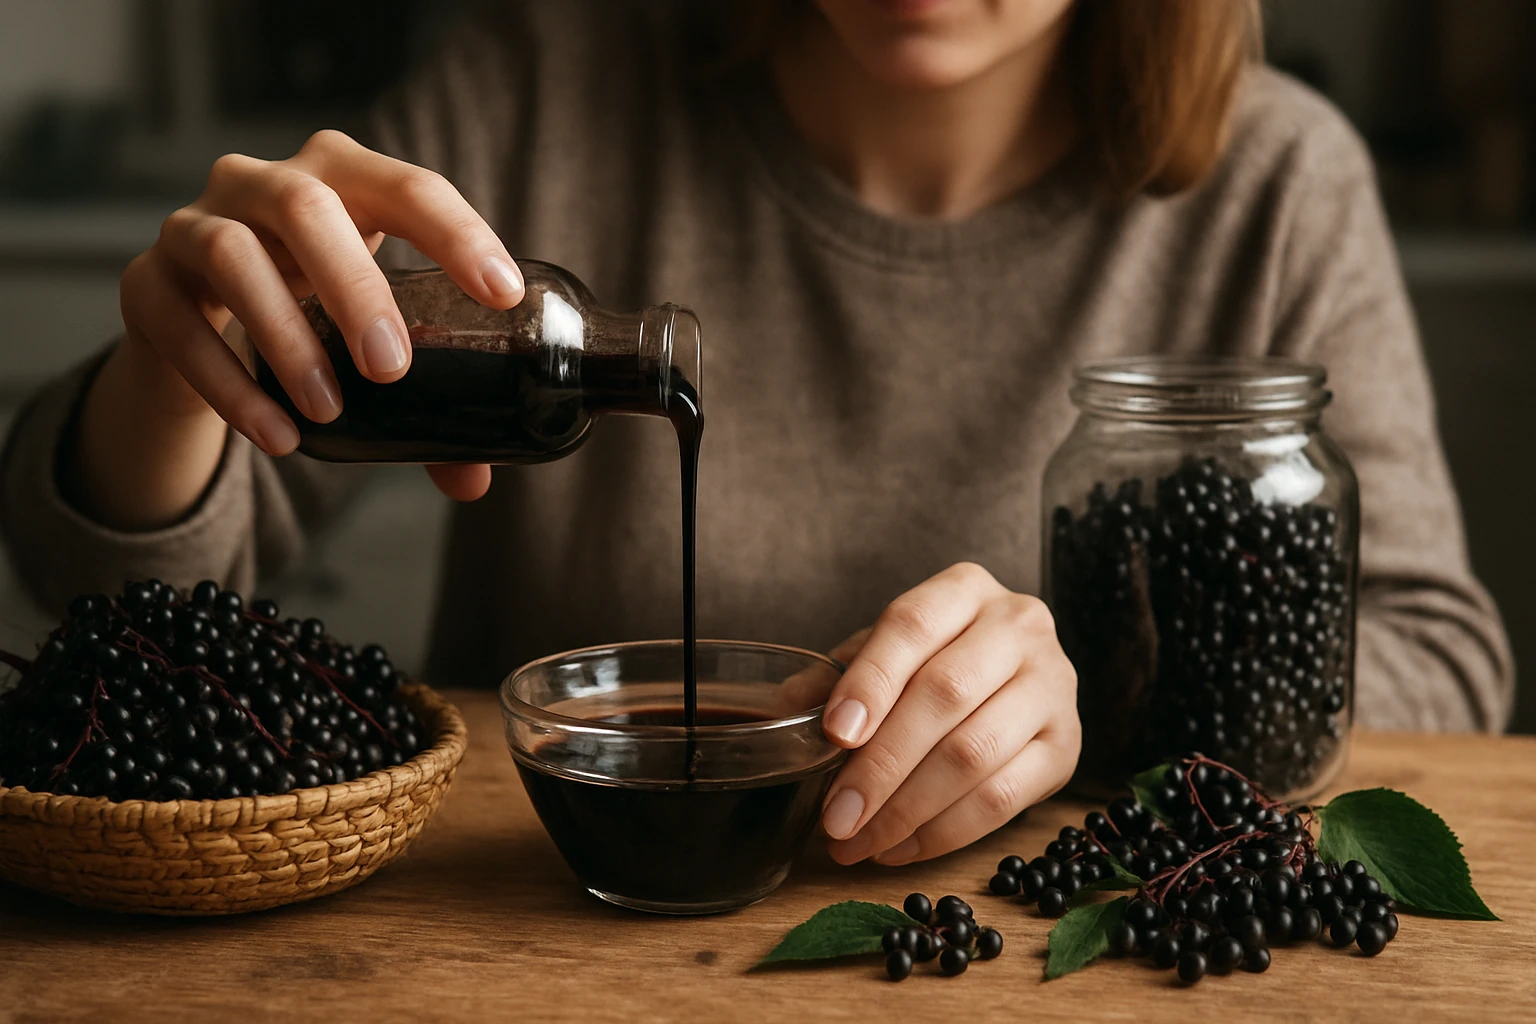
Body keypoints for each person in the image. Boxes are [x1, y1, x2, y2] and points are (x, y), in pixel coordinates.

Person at [0, 0, 1512, 868]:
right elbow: (120, 599)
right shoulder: (533, 98)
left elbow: (1440, 663)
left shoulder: (1276, 188)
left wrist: (1094, 712)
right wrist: (179, 369)